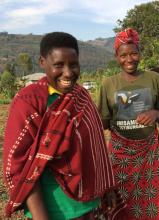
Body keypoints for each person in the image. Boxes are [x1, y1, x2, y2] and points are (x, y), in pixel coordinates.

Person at [3, 32, 116, 220]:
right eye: (58, 65)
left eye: (73, 64)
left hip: (89, 203)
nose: (68, 73)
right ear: (42, 62)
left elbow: (96, 148)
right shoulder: (29, 101)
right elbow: (19, 165)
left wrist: (107, 186)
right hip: (52, 209)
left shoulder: (82, 96)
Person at [98, 28, 159, 220]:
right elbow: (103, 120)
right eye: (123, 55)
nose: (129, 59)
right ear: (116, 56)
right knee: (119, 197)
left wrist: (154, 113)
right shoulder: (108, 84)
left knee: (150, 199)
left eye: (134, 53)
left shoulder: (154, 79)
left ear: (140, 53)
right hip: (120, 152)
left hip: (149, 152)